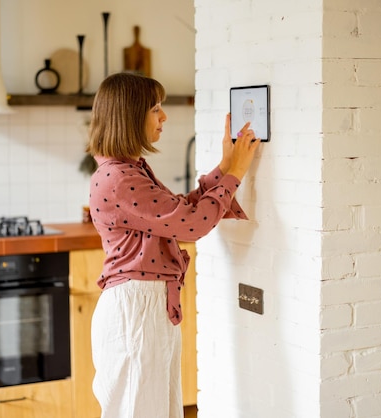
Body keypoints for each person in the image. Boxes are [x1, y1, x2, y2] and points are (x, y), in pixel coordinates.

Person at [87, 72, 260, 418]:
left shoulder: (129, 170)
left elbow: (179, 211)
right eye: (155, 109)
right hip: (136, 311)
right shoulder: (119, 179)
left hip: (145, 308)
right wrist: (236, 173)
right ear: (130, 116)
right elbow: (192, 224)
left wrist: (225, 166)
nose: (163, 117)